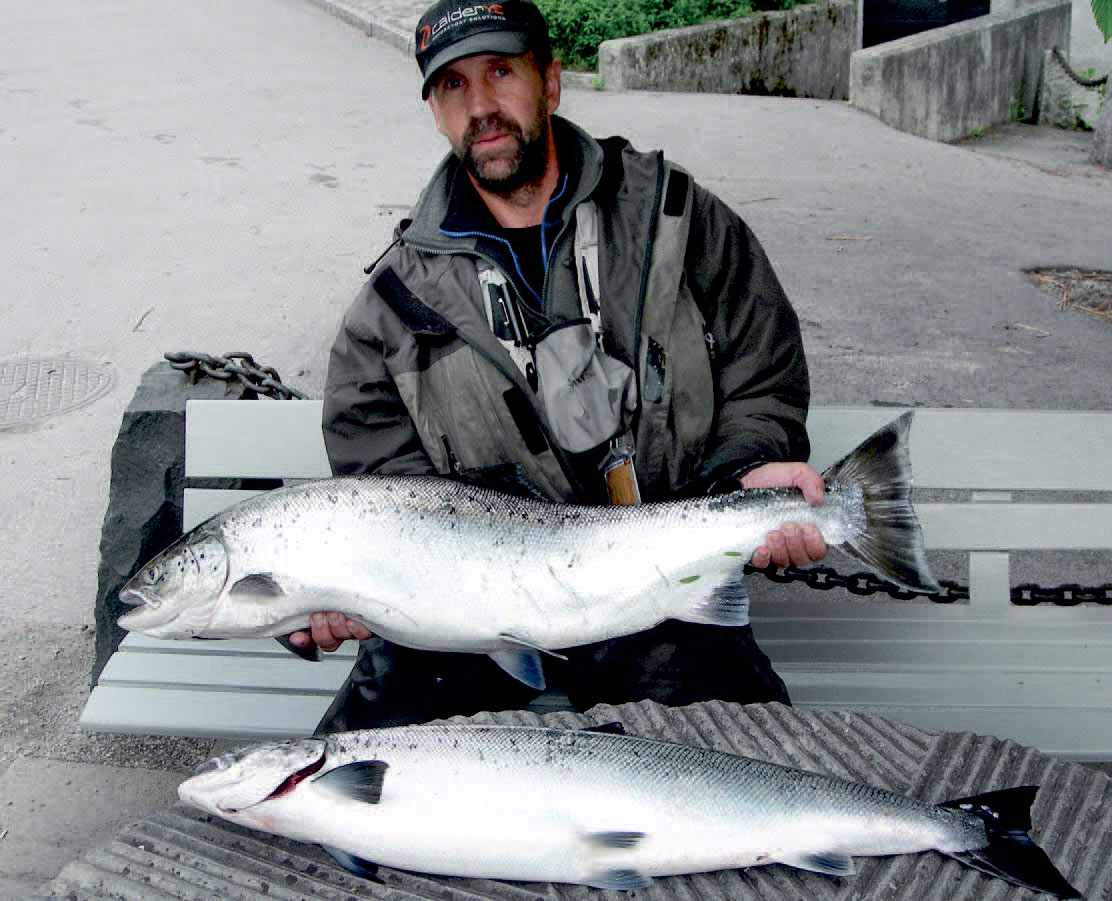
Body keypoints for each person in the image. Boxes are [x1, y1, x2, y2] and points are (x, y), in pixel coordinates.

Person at [292, 0, 827, 731]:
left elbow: (761, 371)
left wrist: (749, 467)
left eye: (500, 72)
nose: (480, 106)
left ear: (550, 81)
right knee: (350, 782)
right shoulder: (392, 306)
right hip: (466, 624)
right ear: (435, 113)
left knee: (746, 764)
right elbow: (384, 491)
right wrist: (350, 589)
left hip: (662, 596)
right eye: (453, 85)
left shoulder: (674, 216)